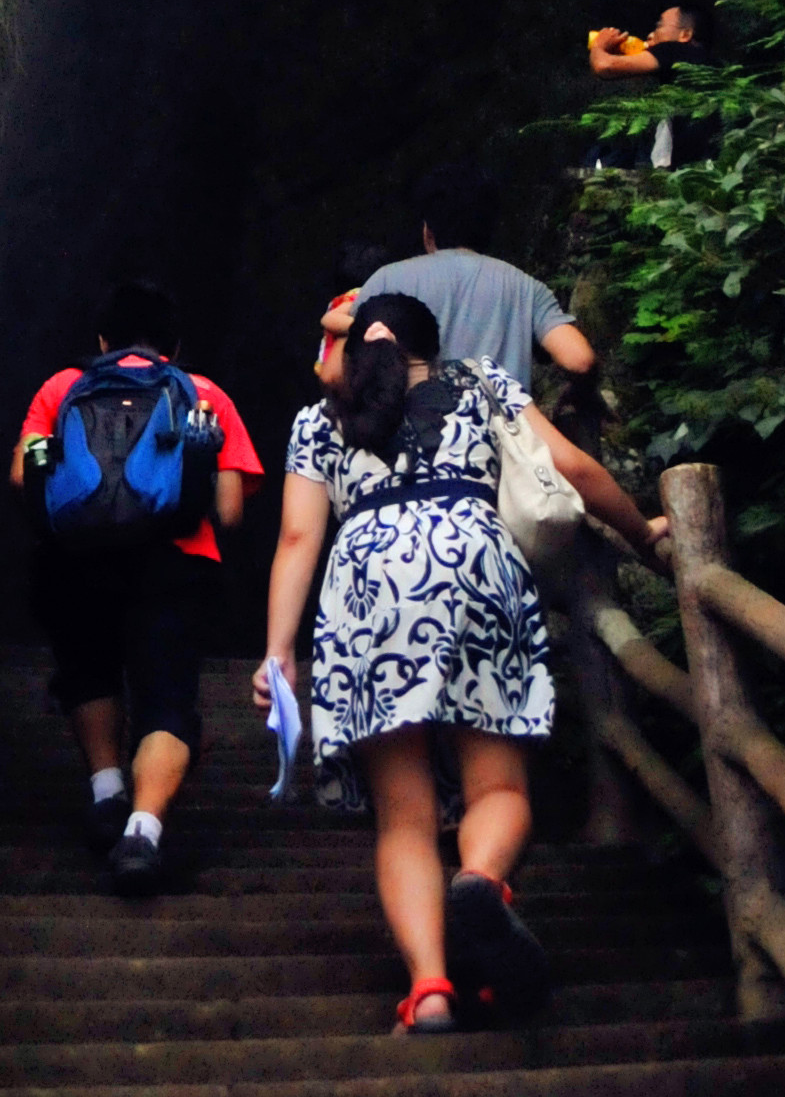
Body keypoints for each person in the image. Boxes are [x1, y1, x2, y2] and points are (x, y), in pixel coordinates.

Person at [255, 290, 666, 1032]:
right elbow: (573, 467)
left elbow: (295, 540)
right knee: (499, 786)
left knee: (403, 817)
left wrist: (280, 653)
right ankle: (479, 882)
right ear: (430, 348)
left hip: (370, 587)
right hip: (475, 563)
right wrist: (643, 532)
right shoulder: (479, 385)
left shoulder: (319, 421)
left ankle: (431, 989)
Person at [15, 274, 264, 893]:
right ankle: (143, 833)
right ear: (174, 348)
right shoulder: (204, 393)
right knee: (167, 700)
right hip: (177, 563)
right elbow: (230, 511)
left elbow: (24, 475)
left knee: (90, 669)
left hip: (78, 557)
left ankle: (106, 791)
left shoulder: (63, 387)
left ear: (101, 337)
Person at [360, 163, 597, 394]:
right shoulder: (527, 288)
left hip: (413, 430)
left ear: (427, 231)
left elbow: (338, 371)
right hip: (502, 431)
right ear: (490, 229)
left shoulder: (385, 281)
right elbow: (579, 359)